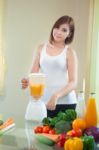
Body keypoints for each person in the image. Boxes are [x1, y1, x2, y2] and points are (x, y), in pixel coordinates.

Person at [21, 15, 78, 118]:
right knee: (40, 133)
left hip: (65, 103)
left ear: (69, 34)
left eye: (64, 30)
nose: (59, 32)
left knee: (62, 134)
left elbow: (73, 82)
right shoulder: (40, 48)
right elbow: (33, 74)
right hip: (43, 102)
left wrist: (56, 95)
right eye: (57, 27)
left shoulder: (69, 52)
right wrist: (27, 80)